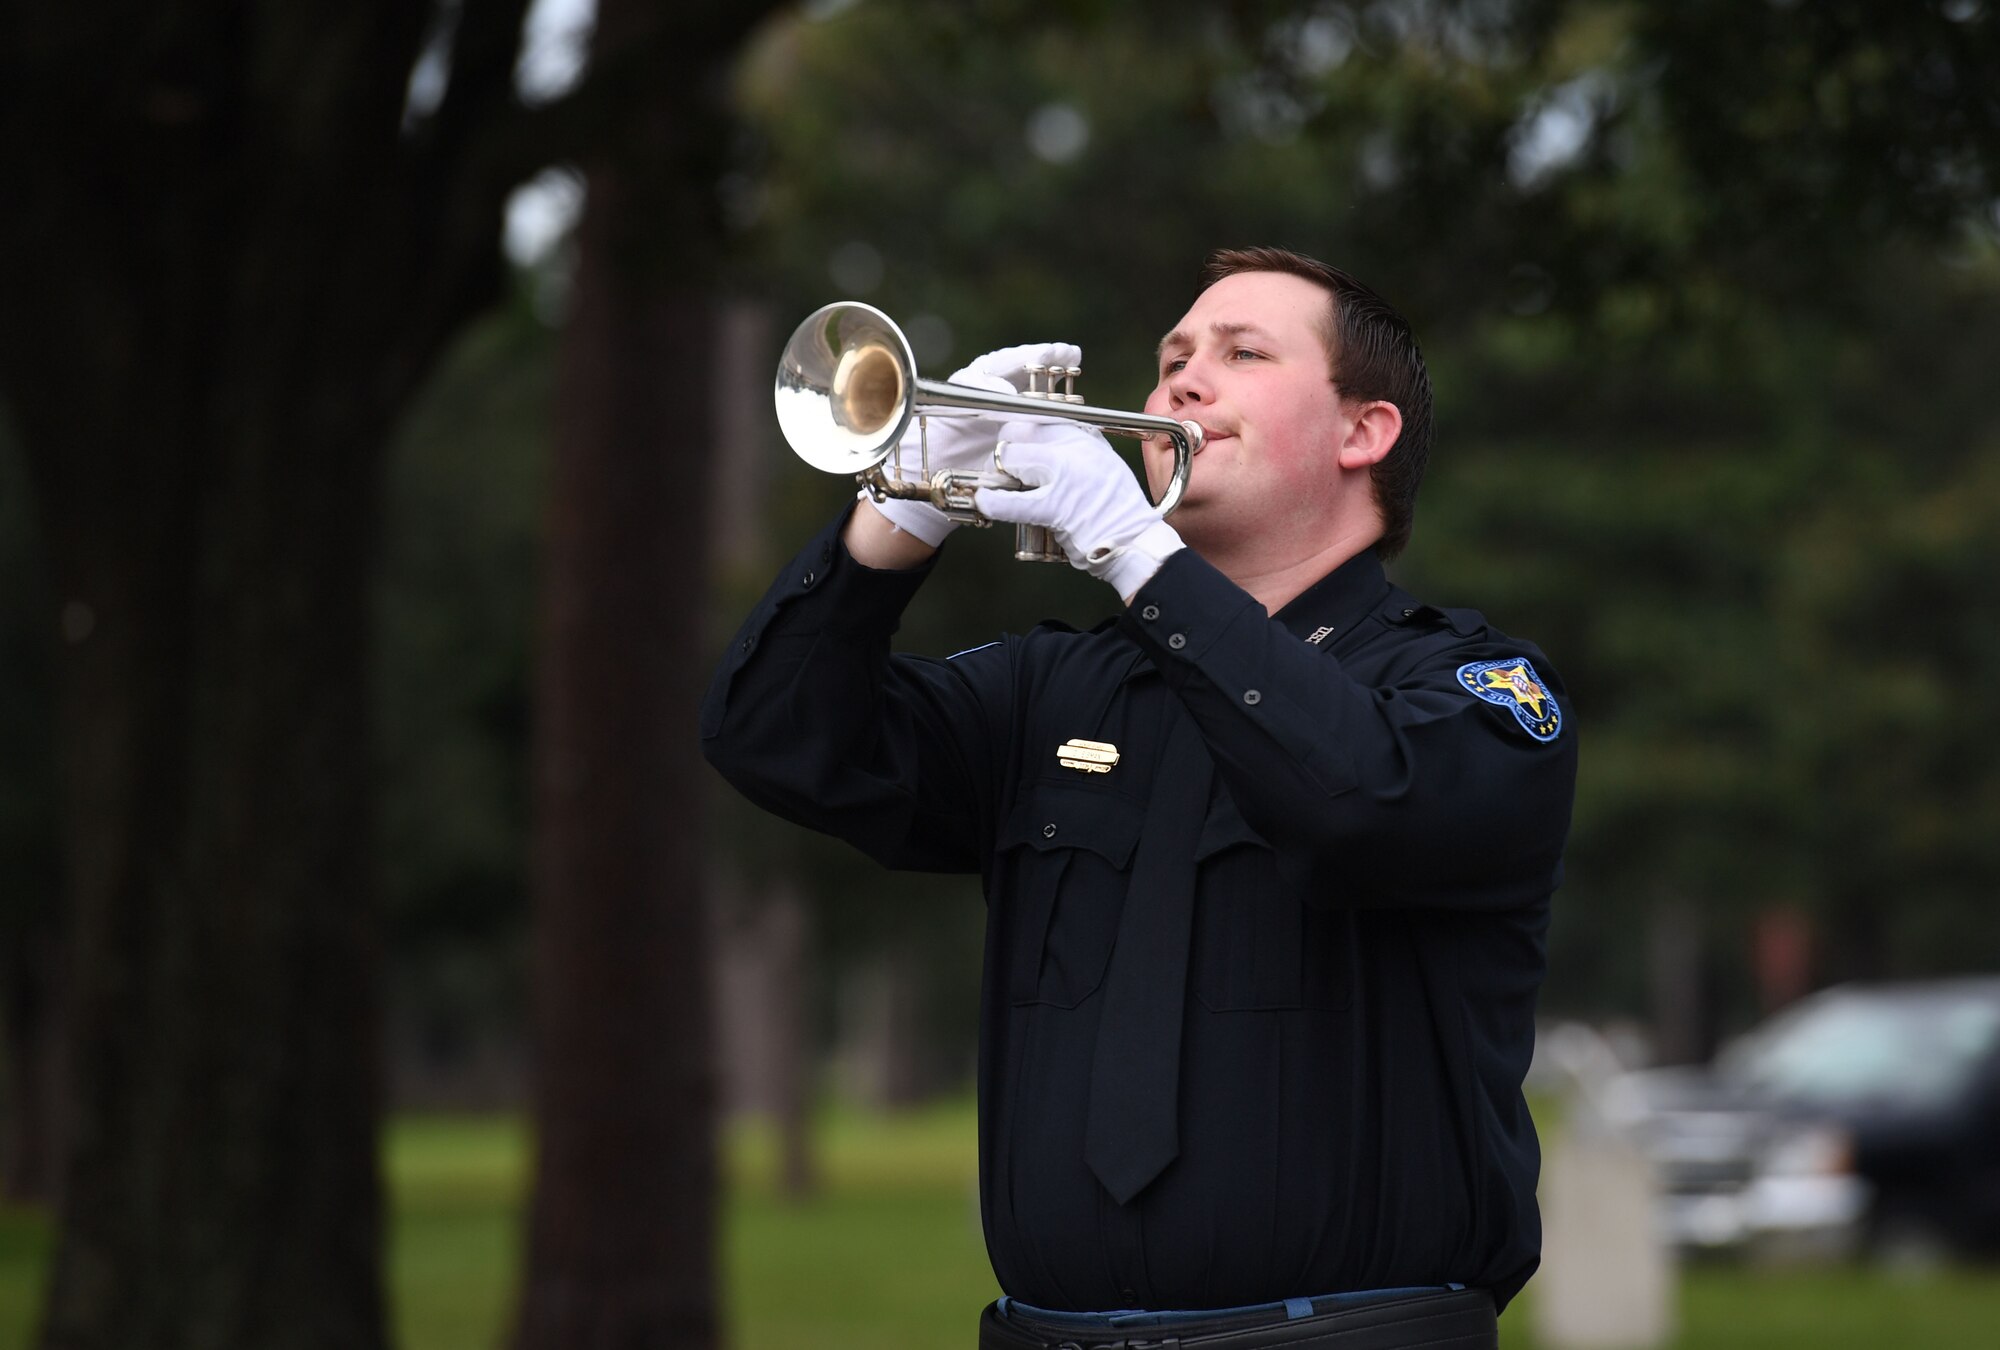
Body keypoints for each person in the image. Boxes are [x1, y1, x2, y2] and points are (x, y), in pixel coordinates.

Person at [702, 247, 1577, 1350]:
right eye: (1170, 361)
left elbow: (1357, 803)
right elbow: (770, 735)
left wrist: (1136, 554)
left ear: (1363, 433)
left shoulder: (1466, 693)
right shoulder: (1049, 689)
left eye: (1240, 353)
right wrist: (903, 499)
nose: (1179, 384)